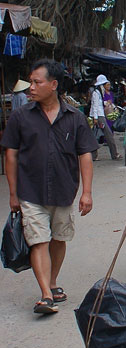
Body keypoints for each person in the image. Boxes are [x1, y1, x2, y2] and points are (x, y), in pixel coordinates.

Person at [2, 59, 97, 314]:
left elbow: (85, 155)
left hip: (64, 191)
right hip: (30, 191)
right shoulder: (21, 117)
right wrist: (13, 193)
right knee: (38, 241)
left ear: (53, 85)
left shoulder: (75, 118)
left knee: (58, 238)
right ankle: (45, 294)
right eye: (30, 82)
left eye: (37, 82)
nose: (31, 87)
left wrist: (86, 192)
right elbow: (10, 154)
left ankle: (53, 282)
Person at [90, 74, 121, 160]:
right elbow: (95, 106)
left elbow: (99, 104)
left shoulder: (99, 93)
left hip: (100, 115)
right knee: (108, 135)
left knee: (95, 135)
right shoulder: (96, 93)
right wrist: (95, 118)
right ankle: (114, 154)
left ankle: (94, 156)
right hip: (99, 116)